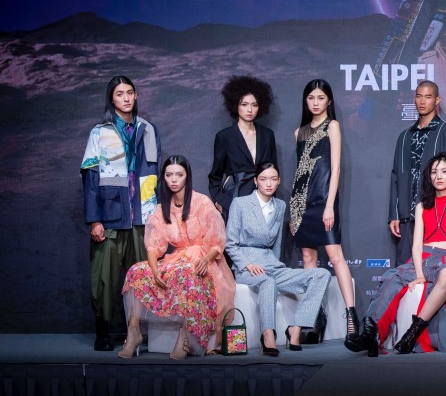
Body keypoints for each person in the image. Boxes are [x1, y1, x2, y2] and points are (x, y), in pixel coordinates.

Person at [349, 153, 446, 356]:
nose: (439, 176)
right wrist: (419, 274)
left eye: (444, 171)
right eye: (434, 172)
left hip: (445, 258)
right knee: (391, 279)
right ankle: (370, 334)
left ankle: (411, 334)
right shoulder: (421, 206)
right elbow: (417, 245)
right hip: (422, 259)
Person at [118, 155, 234, 359]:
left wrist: (205, 259)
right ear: (163, 177)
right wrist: (154, 270)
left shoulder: (202, 202)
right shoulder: (162, 208)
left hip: (204, 259)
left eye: (179, 175)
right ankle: (133, 331)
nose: (173, 179)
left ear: (187, 176)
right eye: (169, 175)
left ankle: (185, 337)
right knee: (137, 271)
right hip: (177, 258)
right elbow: (153, 246)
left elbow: (217, 240)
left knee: (188, 273)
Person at [81, 75, 161, 351]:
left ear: (136, 95)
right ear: (111, 99)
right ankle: (102, 331)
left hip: (143, 215)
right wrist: (94, 220)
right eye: (119, 94)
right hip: (110, 215)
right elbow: (90, 177)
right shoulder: (99, 132)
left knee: (143, 275)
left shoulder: (148, 129)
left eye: (129, 92)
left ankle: (139, 331)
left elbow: (155, 175)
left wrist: (158, 217)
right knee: (104, 278)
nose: (126, 98)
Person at [226, 162, 332, 356]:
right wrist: (247, 264)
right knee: (268, 282)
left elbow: (276, 245)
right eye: (264, 179)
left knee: (321, 275)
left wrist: (277, 266)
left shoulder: (280, 206)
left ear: (279, 181)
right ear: (256, 181)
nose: (269, 184)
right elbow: (230, 244)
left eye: (273, 179)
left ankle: (296, 328)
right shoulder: (240, 204)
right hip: (247, 267)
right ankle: (268, 335)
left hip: (272, 265)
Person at [289, 79, 360, 347]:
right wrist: (294, 211)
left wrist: (330, 205)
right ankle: (314, 318)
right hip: (301, 203)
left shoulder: (333, 126)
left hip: (324, 200)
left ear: (329, 100)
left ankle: (351, 316)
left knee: (335, 255)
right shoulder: (299, 132)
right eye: (311, 98)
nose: (316, 102)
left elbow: (336, 168)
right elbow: (299, 174)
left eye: (320, 98)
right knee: (308, 258)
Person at [389, 80, 446, 264]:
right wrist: (395, 215)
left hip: (436, 216)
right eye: (419, 96)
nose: (422, 101)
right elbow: (396, 176)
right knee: (404, 270)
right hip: (407, 217)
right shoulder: (404, 136)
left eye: (428, 97)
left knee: (435, 268)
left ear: (437, 100)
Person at [208, 75, 277, 223]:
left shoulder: (268, 135)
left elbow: (274, 172)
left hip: (263, 201)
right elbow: (215, 176)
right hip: (235, 200)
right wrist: (221, 201)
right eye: (244, 104)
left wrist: (272, 202)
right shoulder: (225, 136)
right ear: (235, 105)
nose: (249, 109)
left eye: (254, 105)